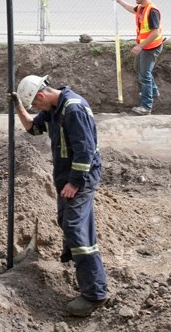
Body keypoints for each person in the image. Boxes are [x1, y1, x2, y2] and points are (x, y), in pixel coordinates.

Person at [11, 75, 109, 317]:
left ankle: (94, 293)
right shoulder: (55, 109)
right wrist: (19, 107)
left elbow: (85, 150)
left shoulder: (73, 109)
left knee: (76, 229)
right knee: (67, 221)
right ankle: (76, 258)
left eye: (35, 104)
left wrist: (75, 183)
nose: (36, 109)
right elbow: (33, 128)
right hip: (65, 176)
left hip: (80, 178)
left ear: (42, 96)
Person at [113, 0, 164, 115]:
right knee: (139, 69)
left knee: (144, 76)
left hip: (151, 47)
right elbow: (132, 9)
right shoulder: (141, 8)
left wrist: (140, 46)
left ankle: (146, 107)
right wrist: (119, 1)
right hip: (145, 46)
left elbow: (155, 32)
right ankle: (153, 91)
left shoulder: (152, 11)